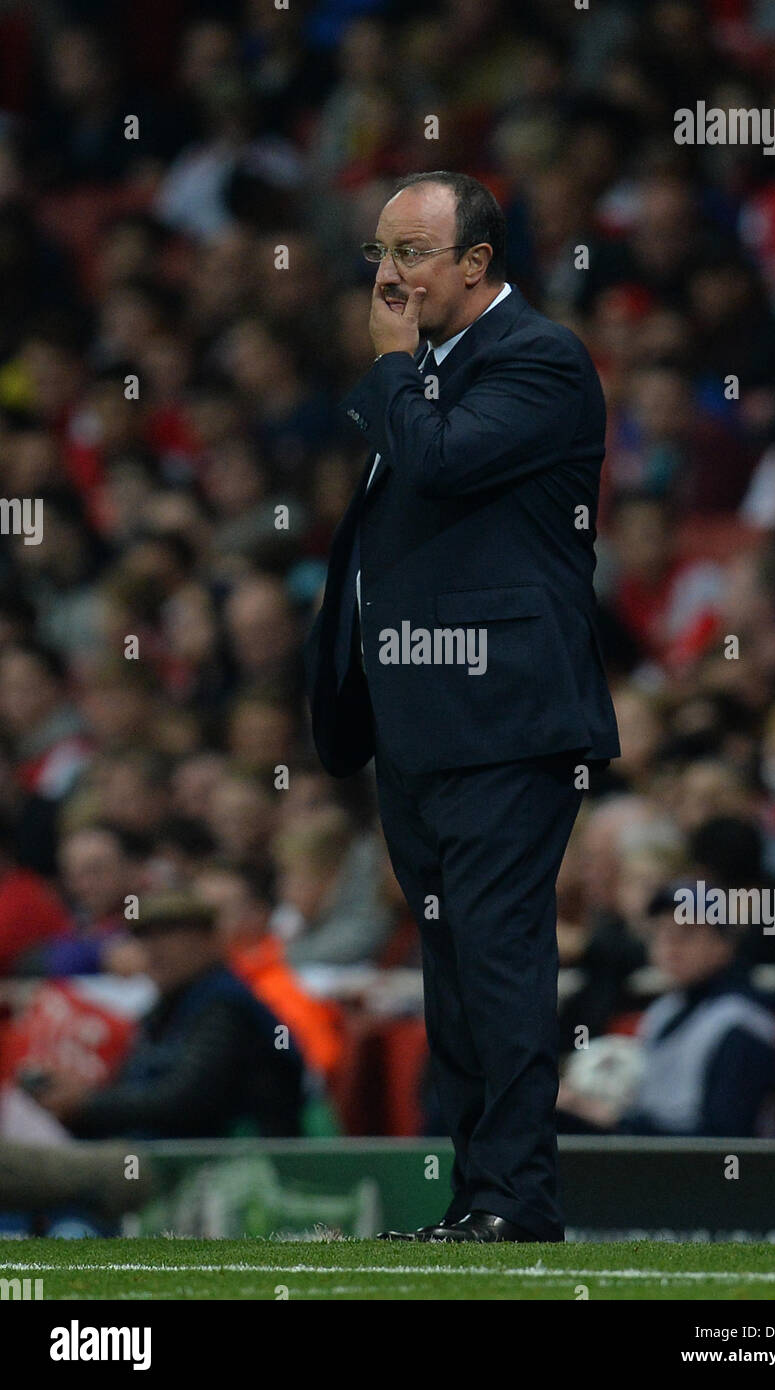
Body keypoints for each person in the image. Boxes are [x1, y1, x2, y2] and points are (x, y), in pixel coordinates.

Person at [305, 171, 619, 1242]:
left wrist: (393, 367)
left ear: (477, 264)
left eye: (412, 253)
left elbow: (436, 463)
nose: (387, 277)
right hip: (422, 722)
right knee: (451, 970)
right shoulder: (436, 372)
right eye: (378, 253)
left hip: (505, 721)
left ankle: (518, 1203)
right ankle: (476, 1197)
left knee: (496, 958)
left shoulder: (537, 360)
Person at [30, 893, 306, 1139]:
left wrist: (87, 1105)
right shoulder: (162, 1013)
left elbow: (186, 1101)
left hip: (238, 1171)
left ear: (211, 940)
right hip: (175, 1163)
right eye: (144, 937)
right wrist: (69, 1101)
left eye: (170, 934)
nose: (154, 948)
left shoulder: (227, 1007)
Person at [558, 884, 775, 1138]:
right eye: (662, 933)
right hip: (657, 1163)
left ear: (724, 945)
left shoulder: (743, 1024)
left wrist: (613, 1120)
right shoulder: (664, 1011)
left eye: (686, 934)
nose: (670, 945)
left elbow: (726, 1140)